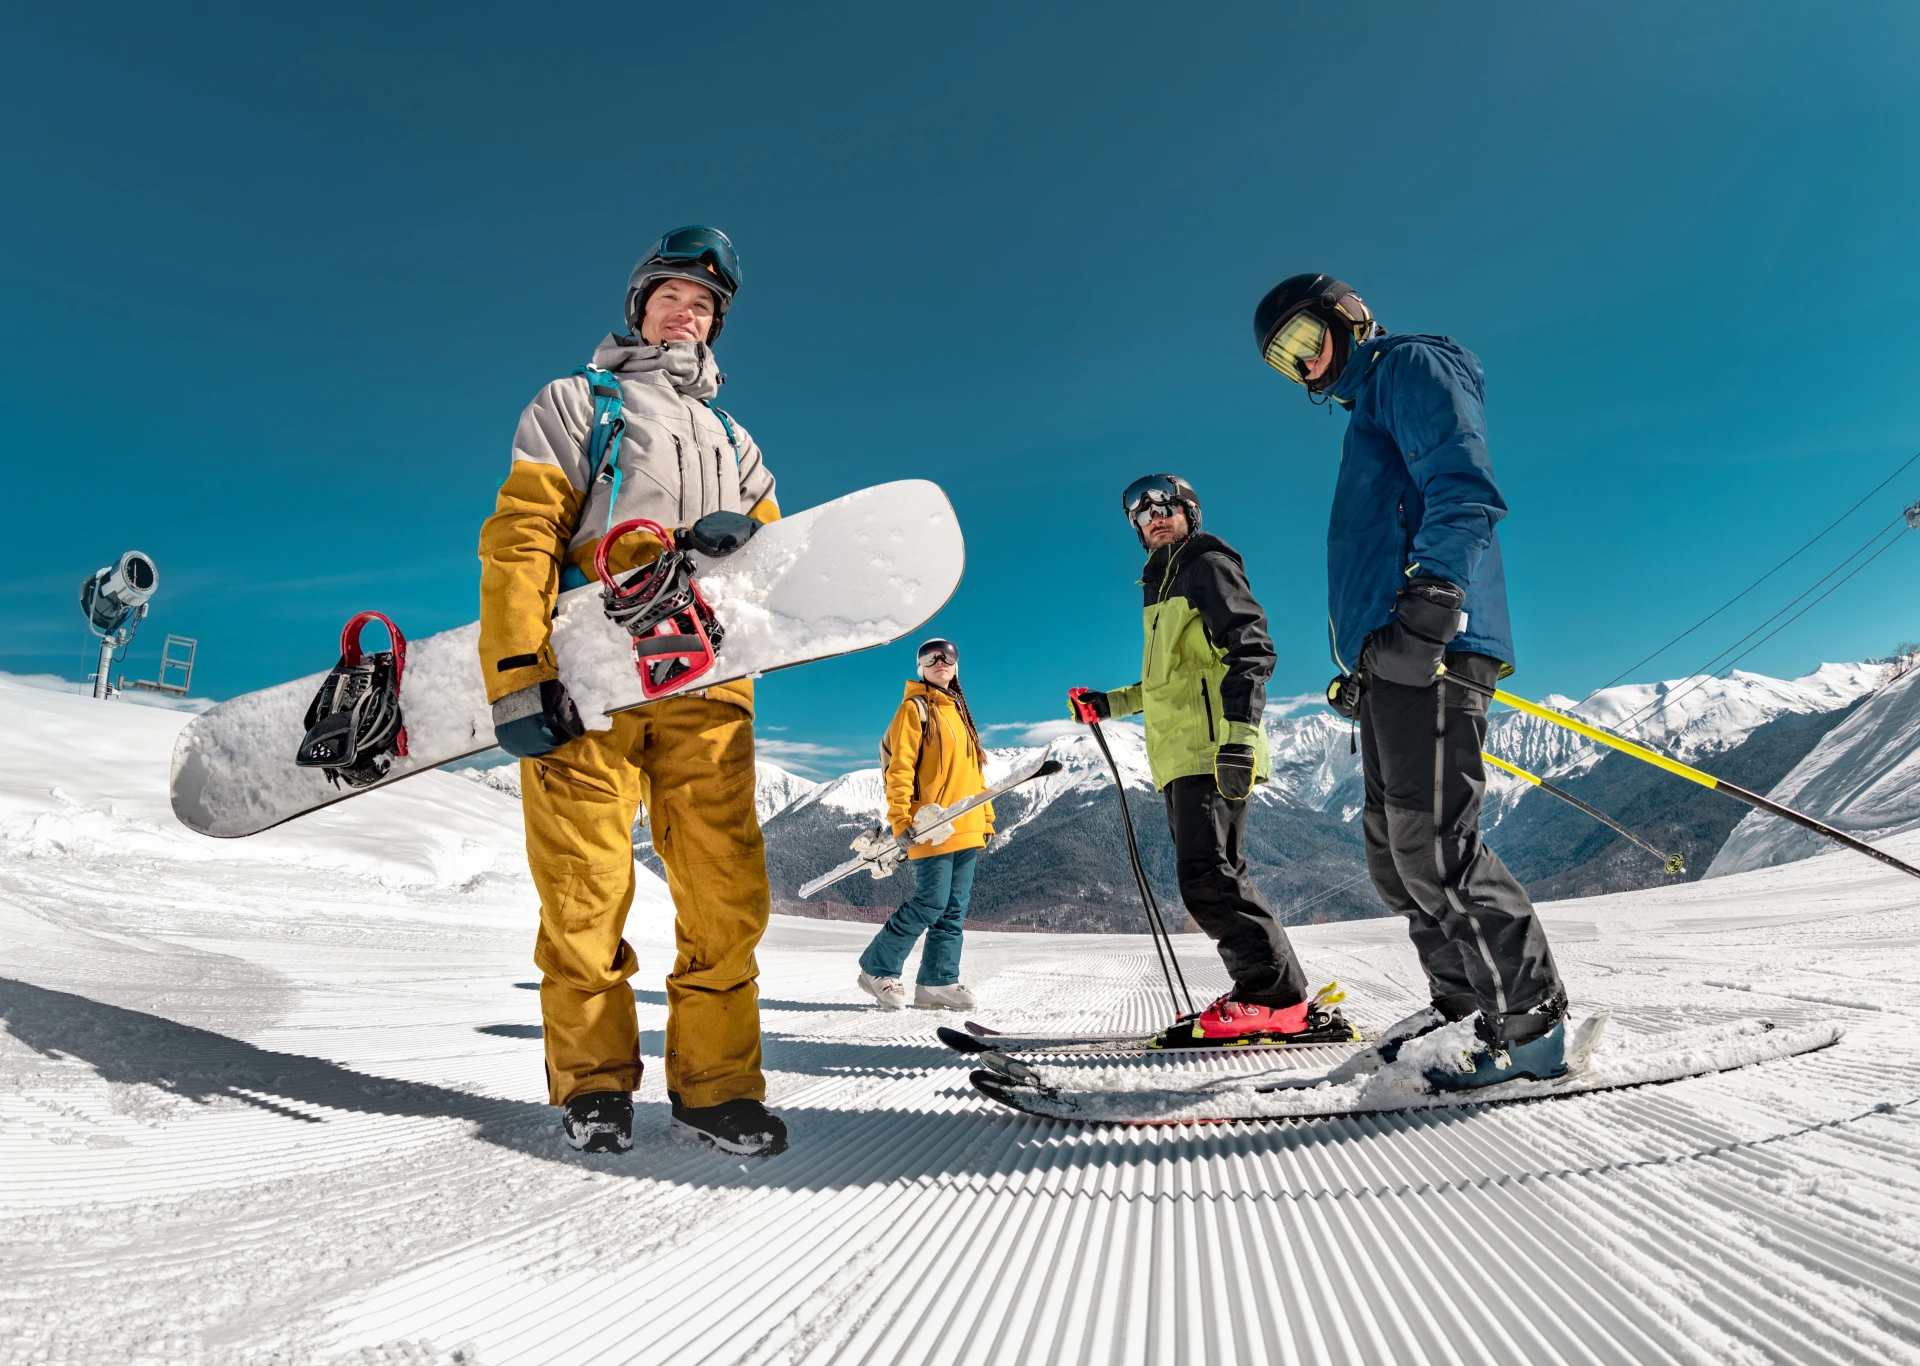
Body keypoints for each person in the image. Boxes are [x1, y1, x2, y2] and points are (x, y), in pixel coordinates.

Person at [476, 226, 788, 1156]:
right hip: (590, 675)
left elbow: (780, 579)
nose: (685, 314)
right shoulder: (579, 400)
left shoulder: (741, 441)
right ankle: (595, 1085)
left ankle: (716, 1087)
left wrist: (749, 541)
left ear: (716, 326)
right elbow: (522, 534)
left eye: (703, 306)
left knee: (727, 897)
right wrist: (516, 673)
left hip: (707, 684)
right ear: (639, 308)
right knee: (584, 893)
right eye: (670, 297)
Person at [1253, 272, 1569, 1088]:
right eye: (1286, 362)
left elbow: (1462, 487)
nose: (1305, 366)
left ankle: (1529, 1027)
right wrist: (1368, 659)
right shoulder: (1366, 410)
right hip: (1394, 657)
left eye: (1305, 339)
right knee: (1395, 858)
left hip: (1435, 642)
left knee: (1437, 847)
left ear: (1348, 316)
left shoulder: (1409, 368)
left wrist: (1429, 607)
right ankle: (1464, 1004)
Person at [1069, 476, 1354, 1048]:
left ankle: (1272, 999)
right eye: (1140, 513)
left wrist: (1240, 738)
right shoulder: (1161, 581)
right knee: (1219, 875)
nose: (1153, 517)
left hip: (1212, 748)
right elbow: (1165, 681)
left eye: (1164, 506)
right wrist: (1111, 703)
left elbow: (1251, 648)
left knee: (1206, 878)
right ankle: (1281, 998)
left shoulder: (1205, 562)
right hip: (1179, 755)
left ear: (1187, 512)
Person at [857, 638, 991, 1011]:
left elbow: (974, 772)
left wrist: (987, 816)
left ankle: (937, 982)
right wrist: (900, 817)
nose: (940, 662)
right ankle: (877, 968)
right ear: (920, 667)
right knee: (930, 902)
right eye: (930, 657)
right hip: (930, 824)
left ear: (956, 666)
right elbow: (900, 769)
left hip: (966, 823)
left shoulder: (960, 713)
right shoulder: (914, 710)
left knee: (953, 909)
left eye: (948, 656)